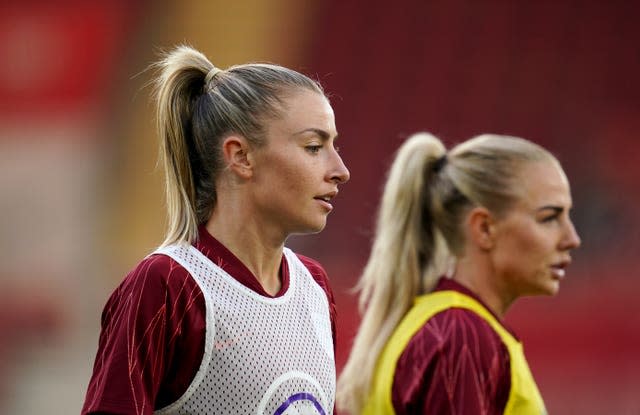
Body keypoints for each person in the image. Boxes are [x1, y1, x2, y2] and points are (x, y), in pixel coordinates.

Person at [82, 45, 350, 415]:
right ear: (240, 156)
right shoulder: (166, 285)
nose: (340, 169)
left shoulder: (315, 287)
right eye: (314, 146)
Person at [337, 132, 581, 415]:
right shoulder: (462, 337)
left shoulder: (434, 321)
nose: (571, 238)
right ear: (484, 228)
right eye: (549, 218)